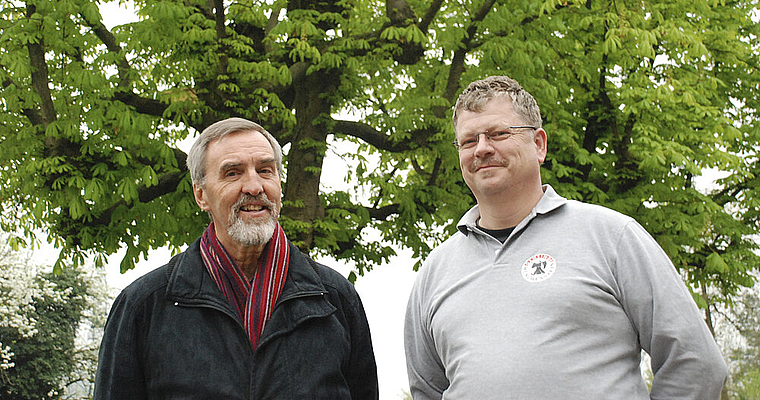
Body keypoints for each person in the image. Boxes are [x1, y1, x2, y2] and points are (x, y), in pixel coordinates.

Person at [404, 75, 728, 399]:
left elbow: (695, 362)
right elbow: (426, 391)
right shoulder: (435, 272)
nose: (483, 148)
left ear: (539, 144)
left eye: (499, 134)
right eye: (469, 141)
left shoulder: (611, 237)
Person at [94, 117, 379, 400]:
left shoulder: (334, 299)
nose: (254, 186)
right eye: (233, 173)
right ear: (201, 195)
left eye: (265, 170)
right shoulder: (146, 305)